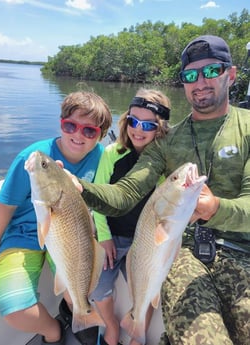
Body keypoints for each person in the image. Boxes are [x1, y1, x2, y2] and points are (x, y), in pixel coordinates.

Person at [73, 35, 250, 345]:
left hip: (243, 253)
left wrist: (216, 208)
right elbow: (126, 193)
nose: (200, 82)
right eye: (190, 75)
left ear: (231, 74)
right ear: (182, 82)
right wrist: (80, 189)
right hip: (181, 253)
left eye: (211, 71)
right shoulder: (165, 142)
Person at [0, 91, 112, 345]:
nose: (78, 135)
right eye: (71, 125)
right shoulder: (32, 158)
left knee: (78, 293)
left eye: (89, 131)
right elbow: (3, 208)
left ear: (100, 134)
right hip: (22, 236)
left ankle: (78, 314)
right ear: (61, 123)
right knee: (15, 310)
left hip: (70, 238)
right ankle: (54, 331)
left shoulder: (102, 157)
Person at [91, 88, 170, 345]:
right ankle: (111, 328)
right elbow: (100, 198)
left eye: (148, 124)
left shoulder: (164, 162)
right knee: (98, 287)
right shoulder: (112, 153)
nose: (138, 129)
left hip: (144, 244)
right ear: (126, 120)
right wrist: (104, 238)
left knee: (147, 293)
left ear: (160, 128)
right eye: (133, 121)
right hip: (111, 237)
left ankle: (137, 338)